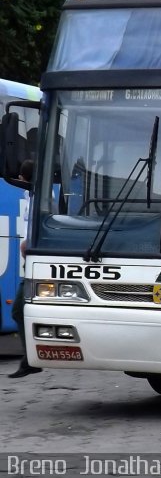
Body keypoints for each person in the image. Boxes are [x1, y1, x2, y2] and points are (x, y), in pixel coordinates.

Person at [9, 159, 42, 378]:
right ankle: (30, 358)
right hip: (29, 260)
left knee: (19, 309)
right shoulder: (33, 197)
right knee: (20, 309)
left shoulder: (35, 199)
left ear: (23, 178)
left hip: (32, 260)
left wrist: (26, 244)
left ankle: (30, 358)